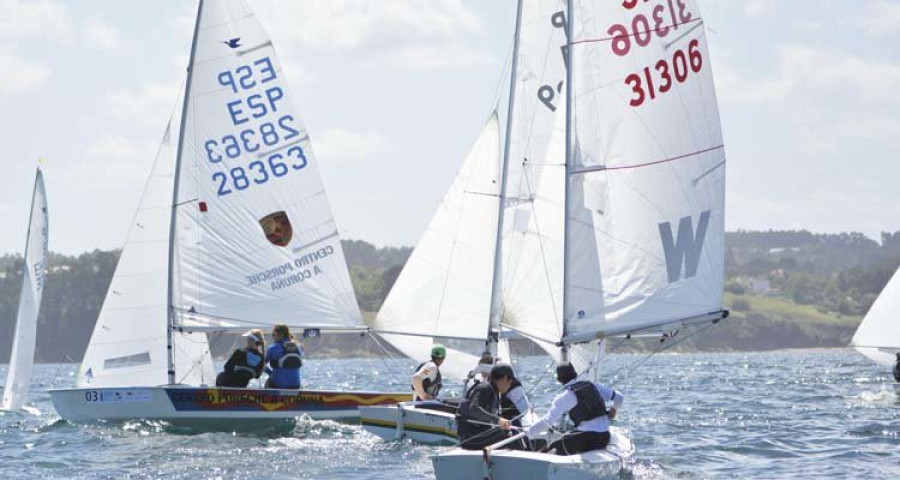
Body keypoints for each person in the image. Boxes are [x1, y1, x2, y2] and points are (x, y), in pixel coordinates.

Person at [526, 362, 624, 455]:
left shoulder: (564, 396)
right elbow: (619, 397)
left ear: (559, 380)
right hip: (605, 437)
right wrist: (614, 409)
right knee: (571, 436)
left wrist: (528, 433)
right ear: (575, 374)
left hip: (587, 439)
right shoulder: (593, 385)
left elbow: (548, 421)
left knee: (553, 447)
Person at [456, 364, 516, 450]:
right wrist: (498, 420)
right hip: (470, 438)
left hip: (479, 434)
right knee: (509, 433)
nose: (510, 384)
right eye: (510, 381)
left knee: (514, 427)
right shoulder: (485, 388)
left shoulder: (495, 391)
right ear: (505, 378)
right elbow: (474, 409)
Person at [264, 324, 303, 389]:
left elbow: (262, 365)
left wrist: (270, 373)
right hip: (295, 385)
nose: (273, 337)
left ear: (280, 335)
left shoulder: (273, 348)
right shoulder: (298, 347)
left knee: (268, 381)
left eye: (273, 334)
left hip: (278, 385)